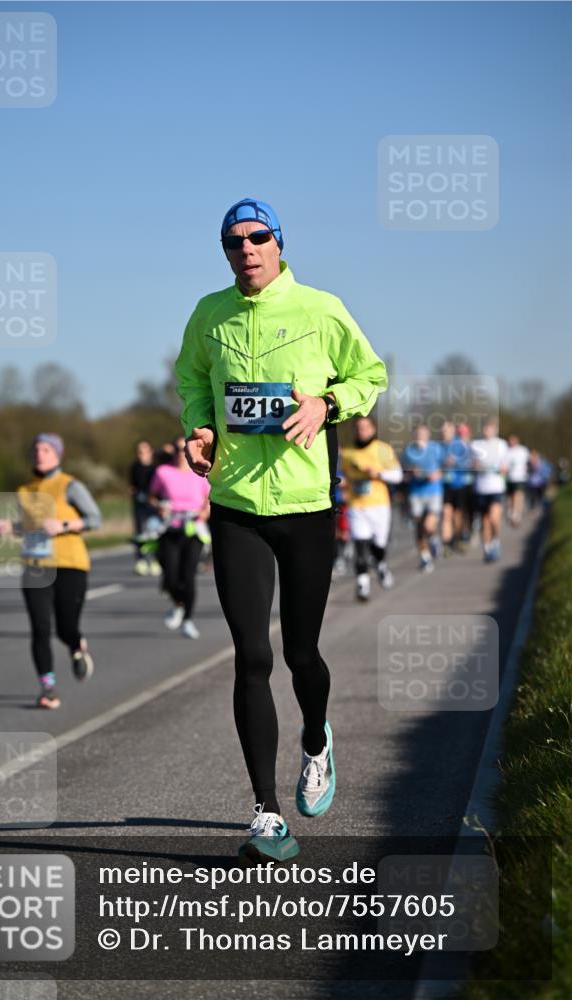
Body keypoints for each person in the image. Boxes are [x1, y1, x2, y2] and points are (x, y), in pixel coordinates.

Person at [175, 197, 387, 863]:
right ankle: (265, 813)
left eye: (258, 236)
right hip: (236, 503)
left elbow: (370, 375)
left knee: (300, 653)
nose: (246, 248)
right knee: (252, 655)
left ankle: (316, 738)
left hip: (305, 506)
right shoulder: (209, 314)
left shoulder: (321, 309)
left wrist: (328, 403)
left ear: (278, 242)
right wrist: (199, 428)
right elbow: (192, 380)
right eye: (233, 240)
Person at [0, 433, 102, 709]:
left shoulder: (70, 486)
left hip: (70, 564)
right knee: (40, 628)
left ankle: (76, 645)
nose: (39, 454)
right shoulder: (25, 490)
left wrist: (64, 525)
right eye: (36, 449)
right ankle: (48, 688)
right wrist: (11, 528)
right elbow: (31, 527)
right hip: (36, 566)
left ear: (57, 454)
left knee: (66, 627)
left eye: (45, 450)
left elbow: (95, 519)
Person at [148, 436, 211, 639]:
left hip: (194, 530)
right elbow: (152, 496)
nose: (181, 452)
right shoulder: (163, 472)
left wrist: (204, 512)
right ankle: (178, 603)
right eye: (177, 449)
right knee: (170, 576)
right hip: (170, 528)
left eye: (184, 447)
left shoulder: (201, 471)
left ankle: (188, 620)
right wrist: (159, 506)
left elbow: (209, 498)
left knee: (188, 576)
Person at [340, 415, 402, 601]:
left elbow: (398, 475)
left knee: (378, 546)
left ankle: (380, 564)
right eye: (358, 427)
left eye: (365, 427)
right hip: (357, 505)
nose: (362, 431)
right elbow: (343, 475)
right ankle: (362, 585)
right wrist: (342, 483)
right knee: (360, 545)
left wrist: (379, 474)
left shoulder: (383, 449)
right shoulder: (348, 453)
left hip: (379, 505)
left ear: (373, 429)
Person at [401, 424, 444, 573]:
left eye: (423, 433)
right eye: (418, 433)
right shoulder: (408, 452)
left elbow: (446, 466)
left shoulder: (436, 449)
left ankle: (433, 539)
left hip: (433, 491)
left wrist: (437, 474)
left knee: (428, 526)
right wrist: (411, 473)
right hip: (416, 492)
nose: (420, 436)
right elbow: (402, 473)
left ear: (428, 434)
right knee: (419, 527)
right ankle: (425, 558)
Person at [471, 418, 509, 563]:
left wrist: (501, 470)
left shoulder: (501, 444)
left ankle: (496, 542)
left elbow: (505, 467)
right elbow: (471, 465)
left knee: (494, 518)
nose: (488, 431)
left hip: (496, 487)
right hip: (481, 488)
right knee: (485, 521)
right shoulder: (475, 445)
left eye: (491, 428)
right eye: (486, 428)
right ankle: (487, 549)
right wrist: (476, 466)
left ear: (496, 430)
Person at [440, 420, 474, 554]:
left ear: (453, 431)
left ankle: (458, 537)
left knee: (457, 516)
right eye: (443, 430)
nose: (444, 433)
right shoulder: (439, 446)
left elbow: (469, 463)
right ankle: (447, 544)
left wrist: (455, 462)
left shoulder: (460, 445)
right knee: (446, 514)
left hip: (460, 485)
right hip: (445, 486)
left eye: (447, 430)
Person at [128, 440, 159, 575]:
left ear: (151, 452)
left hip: (153, 505)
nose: (142, 455)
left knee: (154, 533)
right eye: (139, 452)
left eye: (144, 452)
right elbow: (132, 486)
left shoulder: (156, 468)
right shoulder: (134, 467)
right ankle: (141, 561)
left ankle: (155, 561)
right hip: (139, 505)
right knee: (140, 533)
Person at [505, 433, 530, 527]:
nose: (511, 442)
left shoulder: (523, 450)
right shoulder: (506, 450)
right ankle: (512, 511)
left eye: (513, 440)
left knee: (518, 495)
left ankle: (516, 514)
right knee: (510, 496)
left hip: (520, 477)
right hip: (509, 478)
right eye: (510, 440)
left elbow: (529, 461)